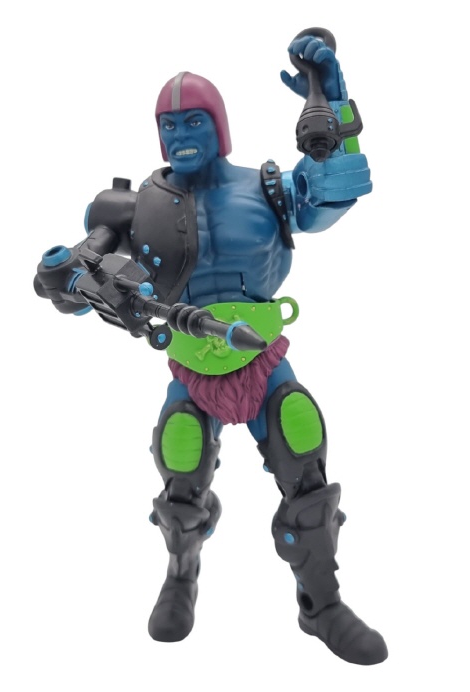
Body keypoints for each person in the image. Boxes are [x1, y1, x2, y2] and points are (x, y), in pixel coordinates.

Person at [35, 31, 387, 665]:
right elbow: (77, 272)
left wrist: (332, 108)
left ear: (220, 126)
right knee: (181, 458)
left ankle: (322, 603)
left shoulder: (269, 188)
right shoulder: (135, 208)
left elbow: (336, 190)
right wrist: (69, 275)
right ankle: (181, 575)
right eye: (168, 125)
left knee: (301, 440)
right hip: (190, 360)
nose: (181, 135)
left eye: (194, 120)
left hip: (260, 354)